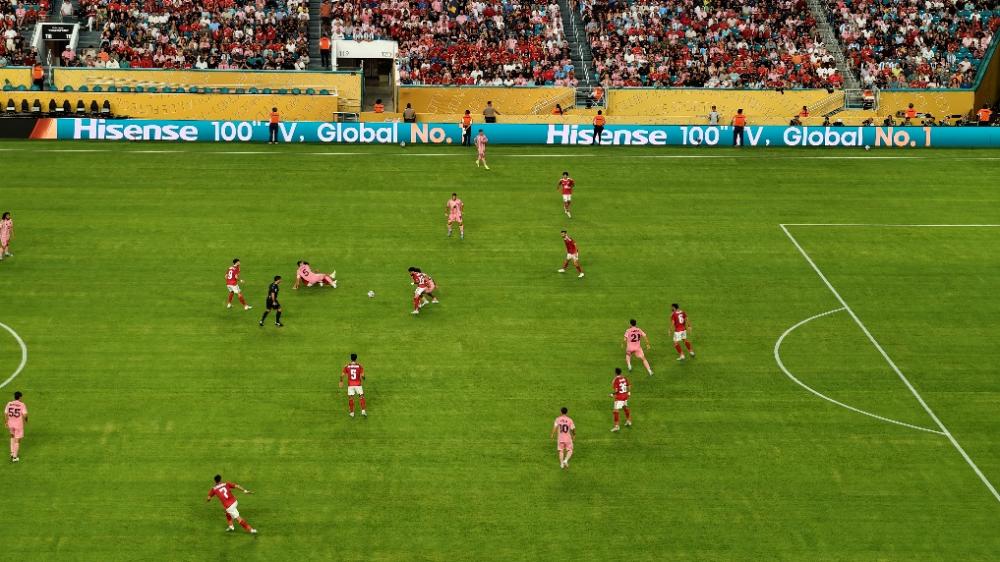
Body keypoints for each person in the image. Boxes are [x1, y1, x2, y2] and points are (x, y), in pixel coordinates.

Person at [339, 353, 366, 417]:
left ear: (351, 358)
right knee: (361, 396)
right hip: (358, 384)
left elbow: (342, 375)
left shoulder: (347, 366)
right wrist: (363, 377)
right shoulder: (359, 366)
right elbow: (363, 376)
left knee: (351, 398)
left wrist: (341, 381)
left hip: (350, 385)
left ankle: (352, 413)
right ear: (356, 358)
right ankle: (363, 411)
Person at [5, 391, 27, 462]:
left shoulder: (9, 403)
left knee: (12, 436)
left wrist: (6, 422)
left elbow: (6, 413)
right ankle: (15, 457)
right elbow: (25, 415)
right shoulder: (22, 404)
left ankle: (12, 453)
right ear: (20, 397)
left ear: (14, 397)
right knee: (17, 439)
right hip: (18, 425)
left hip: (10, 423)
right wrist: (26, 420)